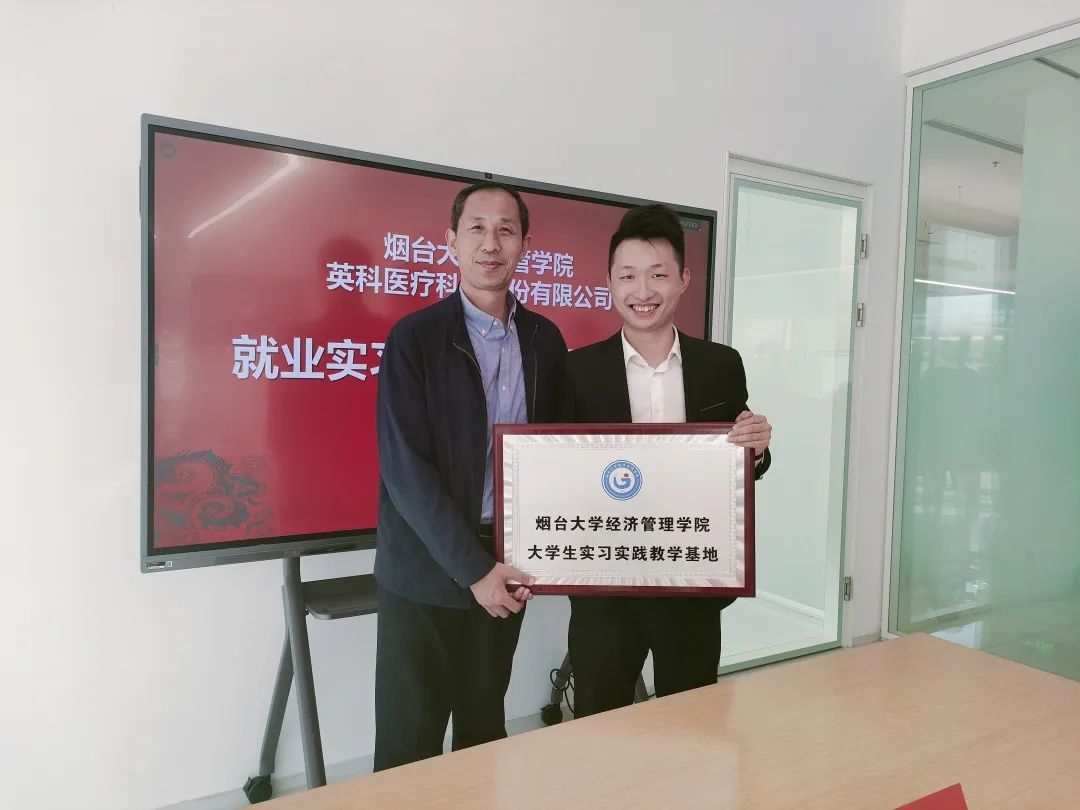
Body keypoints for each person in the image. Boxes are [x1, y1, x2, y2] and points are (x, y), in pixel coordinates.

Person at [372, 182, 569, 770]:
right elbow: (405, 470)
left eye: (506, 230)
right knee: (409, 745)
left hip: (505, 565)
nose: (491, 243)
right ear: (451, 241)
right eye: (477, 228)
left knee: (483, 731)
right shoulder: (415, 338)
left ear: (524, 244)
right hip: (422, 568)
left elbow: (562, 451)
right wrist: (473, 569)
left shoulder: (545, 340)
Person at [566, 203, 773, 717]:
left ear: (683, 279)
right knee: (599, 726)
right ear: (609, 283)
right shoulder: (575, 371)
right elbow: (557, 474)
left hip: (692, 583)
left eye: (658, 275)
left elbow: (740, 464)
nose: (643, 291)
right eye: (628, 276)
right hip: (606, 589)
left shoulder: (721, 365)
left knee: (694, 724)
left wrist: (757, 449)